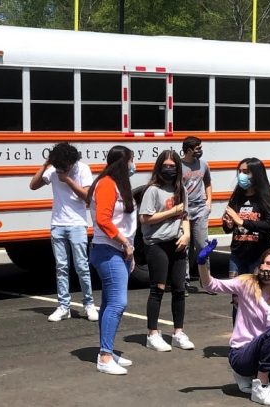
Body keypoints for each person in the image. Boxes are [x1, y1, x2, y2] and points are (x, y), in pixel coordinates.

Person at [198, 247, 270, 406]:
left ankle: (259, 378)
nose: (264, 267)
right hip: (241, 354)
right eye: (262, 263)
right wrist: (202, 264)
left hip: (266, 355)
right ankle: (261, 386)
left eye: (269, 264)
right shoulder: (247, 283)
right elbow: (210, 285)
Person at [29, 143, 98, 322]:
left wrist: (67, 179)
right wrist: (46, 165)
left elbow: (87, 196)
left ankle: (89, 304)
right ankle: (63, 306)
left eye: (65, 166)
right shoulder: (53, 169)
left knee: (82, 266)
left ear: (72, 162)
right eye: (59, 166)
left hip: (77, 224)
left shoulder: (83, 169)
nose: (62, 169)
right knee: (61, 267)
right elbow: (33, 185)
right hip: (57, 224)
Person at [87, 145, 137, 375]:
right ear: (122, 162)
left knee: (109, 303)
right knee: (118, 303)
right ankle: (105, 356)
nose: (133, 165)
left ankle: (106, 350)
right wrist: (125, 243)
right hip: (108, 249)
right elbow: (103, 220)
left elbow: (124, 222)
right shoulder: (106, 183)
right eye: (131, 160)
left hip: (119, 250)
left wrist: (130, 249)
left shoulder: (118, 184)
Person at [139, 150, 194, 352]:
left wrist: (186, 235)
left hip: (177, 243)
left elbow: (185, 216)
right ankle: (152, 333)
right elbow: (145, 218)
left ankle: (178, 332)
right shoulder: (152, 190)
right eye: (166, 166)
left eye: (173, 166)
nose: (169, 169)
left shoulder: (181, 190)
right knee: (158, 288)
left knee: (179, 289)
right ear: (159, 167)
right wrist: (172, 211)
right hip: (156, 244)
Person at [222, 158, 270, 323]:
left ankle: (257, 339)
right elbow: (228, 225)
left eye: (246, 172)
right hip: (238, 255)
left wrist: (242, 221)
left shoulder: (266, 196)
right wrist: (228, 224)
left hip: (258, 257)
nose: (242, 175)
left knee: (257, 299)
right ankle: (238, 341)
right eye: (240, 172)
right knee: (237, 300)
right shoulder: (237, 196)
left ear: (257, 174)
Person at [180, 136, 213, 294]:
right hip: (185, 209)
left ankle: (206, 280)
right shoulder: (179, 166)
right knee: (184, 246)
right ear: (188, 150)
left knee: (202, 245)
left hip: (200, 208)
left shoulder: (203, 164)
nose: (200, 151)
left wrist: (209, 203)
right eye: (197, 148)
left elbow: (207, 183)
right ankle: (184, 281)